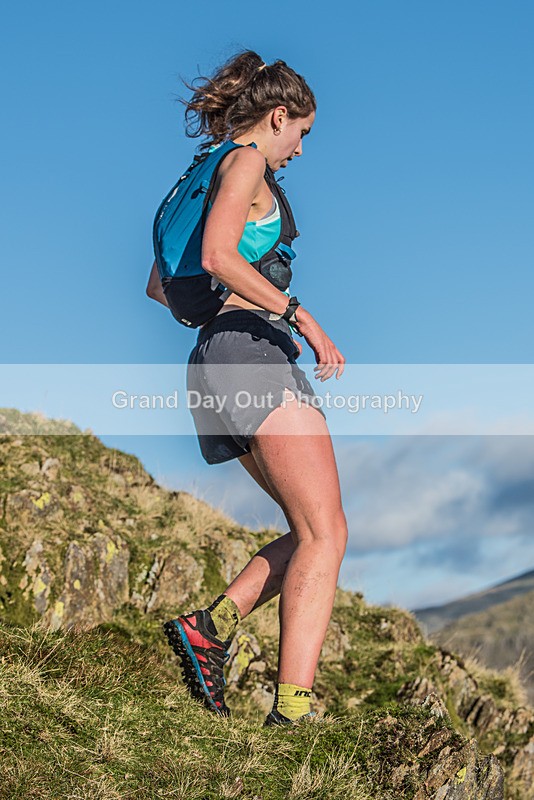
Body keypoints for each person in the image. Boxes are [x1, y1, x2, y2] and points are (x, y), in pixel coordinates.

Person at [147, 49, 348, 726]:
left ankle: (209, 629)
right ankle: (291, 718)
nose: (301, 150)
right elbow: (217, 256)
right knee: (327, 534)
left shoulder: (195, 175)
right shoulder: (246, 161)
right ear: (278, 116)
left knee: (311, 530)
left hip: (211, 360)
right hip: (253, 354)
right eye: (303, 133)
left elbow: (161, 287)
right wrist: (299, 314)